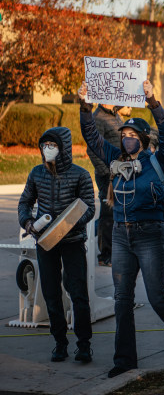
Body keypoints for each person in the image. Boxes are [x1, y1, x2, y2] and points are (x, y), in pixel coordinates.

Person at [78, 81, 164, 378]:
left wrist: (153, 101)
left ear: (142, 139)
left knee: (157, 297)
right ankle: (125, 359)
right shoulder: (114, 159)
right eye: (124, 135)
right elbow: (91, 136)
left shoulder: (156, 160)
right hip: (120, 234)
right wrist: (84, 105)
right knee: (122, 299)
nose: (127, 139)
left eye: (132, 135)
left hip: (151, 235)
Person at [18, 127, 95, 363]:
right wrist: (29, 222)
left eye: (52, 145)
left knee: (78, 293)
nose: (47, 149)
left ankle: (84, 345)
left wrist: (68, 225)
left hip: (72, 242)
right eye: (44, 145)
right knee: (51, 293)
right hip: (45, 243)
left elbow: (89, 208)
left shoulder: (80, 174)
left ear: (64, 148)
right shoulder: (36, 173)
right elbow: (25, 202)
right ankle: (59, 343)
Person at [87, 103, 131, 266]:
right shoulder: (98, 117)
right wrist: (107, 171)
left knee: (116, 211)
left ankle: (115, 250)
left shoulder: (115, 115)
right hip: (107, 175)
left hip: (120, 172)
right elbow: (92, 148)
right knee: (108, 213)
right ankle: (106, 255)